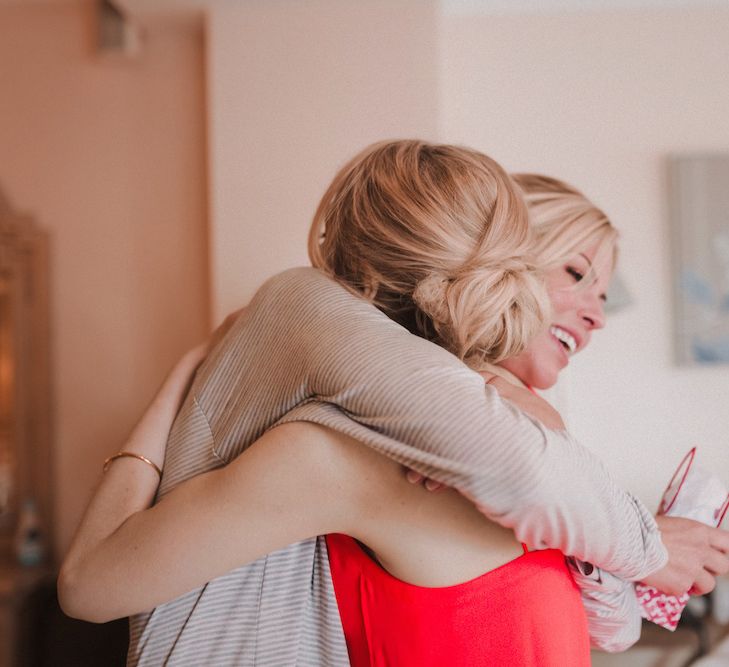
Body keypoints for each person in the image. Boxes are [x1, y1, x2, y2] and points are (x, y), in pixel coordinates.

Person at [59, 141, 723, 666]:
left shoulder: (513, 445)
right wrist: (642, 543)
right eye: (575, 273)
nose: (597, 315)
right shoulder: (337, 423)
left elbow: (596, 616)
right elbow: (87, 585)